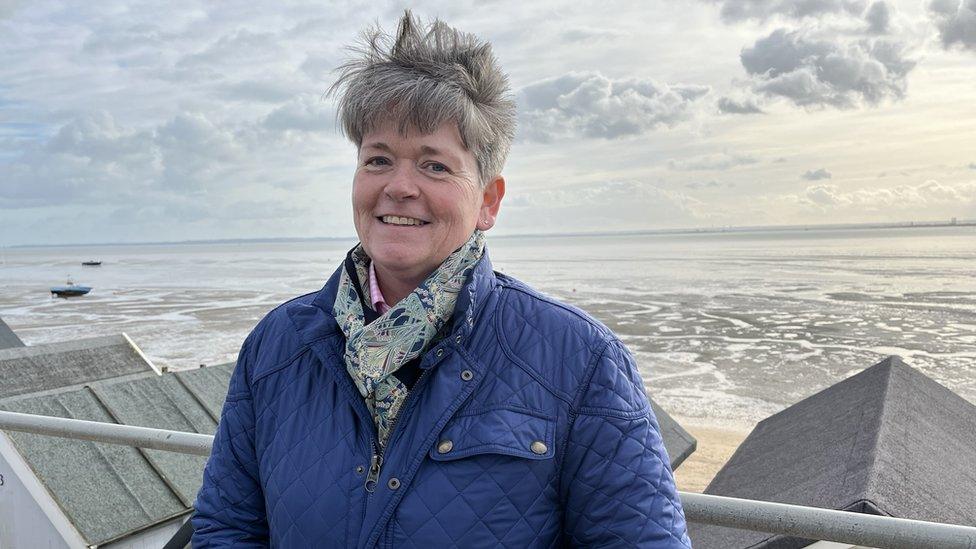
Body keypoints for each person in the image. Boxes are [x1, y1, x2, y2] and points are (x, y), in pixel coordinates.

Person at [193, 11, 690, 548]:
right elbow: (228, 527)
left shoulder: (580, 358)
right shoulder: (278, 345)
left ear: (488, 200)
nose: (399, 187)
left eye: (434, 166)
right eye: (378, 159)